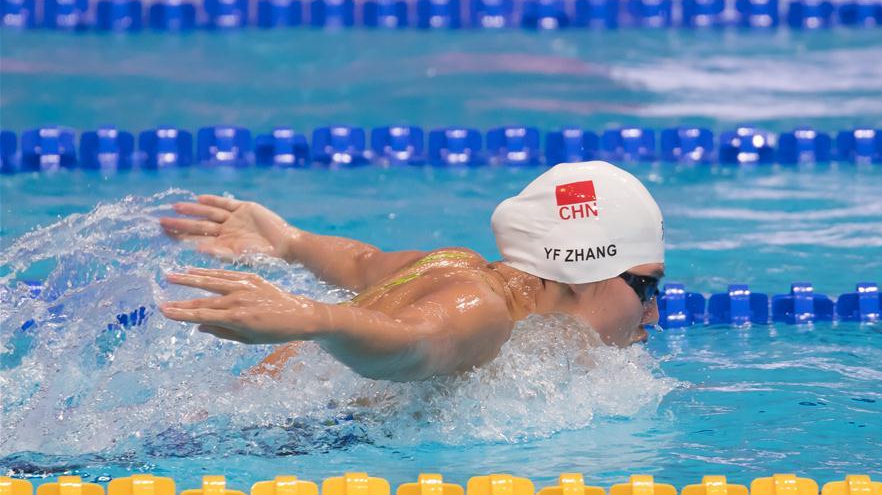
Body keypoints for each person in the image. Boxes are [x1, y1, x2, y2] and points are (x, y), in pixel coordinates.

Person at [158, 161, 665, 382]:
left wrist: (290, 242)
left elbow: (362, 263)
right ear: (585, 270)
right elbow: (410, 344)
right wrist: (312, 318)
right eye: (645, 286)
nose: (653, 313)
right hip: (267, 440)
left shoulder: (457, 265)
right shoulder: (483, 312)